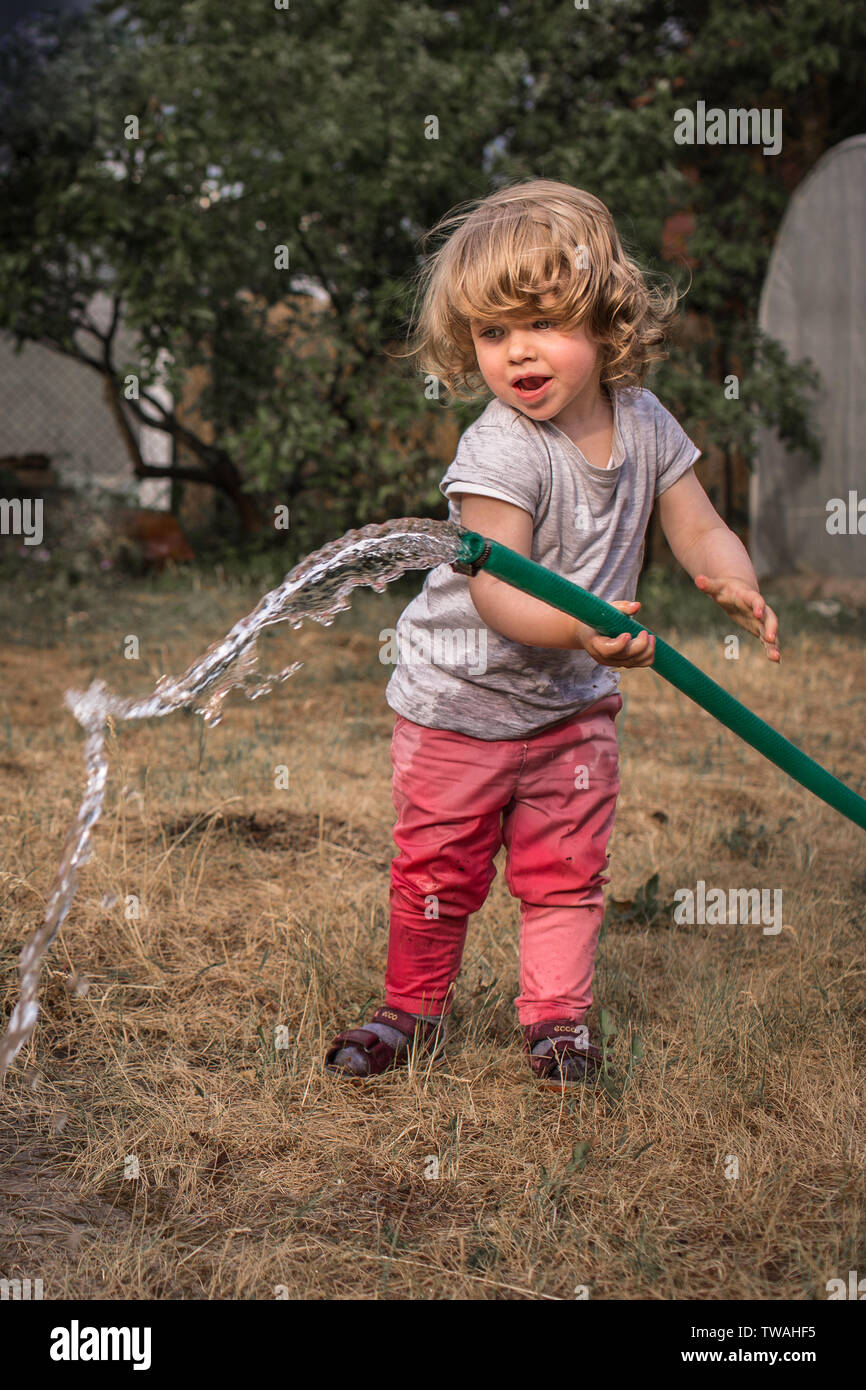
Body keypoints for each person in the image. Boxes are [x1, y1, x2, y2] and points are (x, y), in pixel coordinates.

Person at [325, 179, 780, 1087]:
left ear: (607, 321)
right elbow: (498, 594)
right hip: (461, 704)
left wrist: (728, 572)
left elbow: (692, 517)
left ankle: (558, 1026)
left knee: (567, 873)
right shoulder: (501, 450)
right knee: (438, 875)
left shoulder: (645, 420)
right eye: (493, 335)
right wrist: (584, 630)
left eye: (541, 323)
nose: (517, 353)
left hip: (571, 710)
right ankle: (406, 1012)